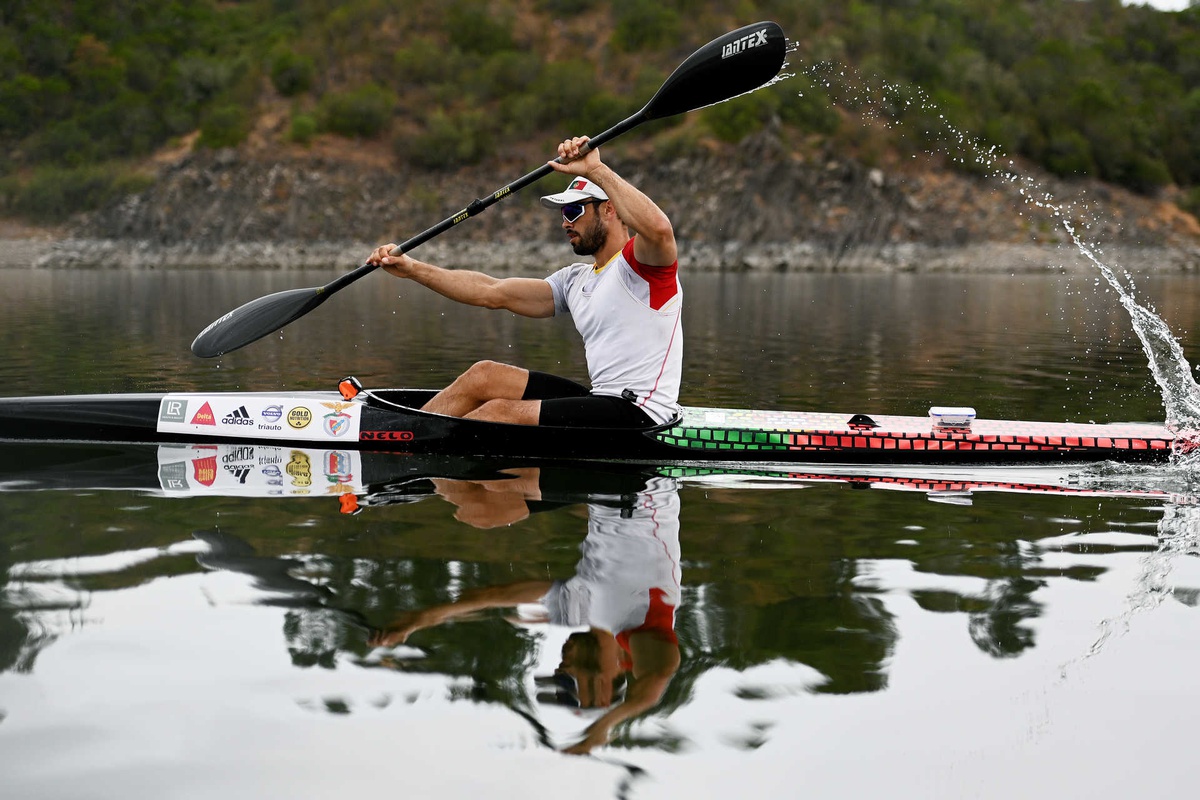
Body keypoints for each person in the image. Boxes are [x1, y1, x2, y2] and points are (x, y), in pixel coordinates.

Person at [367, 136, 682, 428]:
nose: (564, 222)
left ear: (610, 210)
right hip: (603, 401)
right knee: (483, 375)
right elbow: (492, 292)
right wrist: (412, 269)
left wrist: (597, 170)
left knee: (496, 414)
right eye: (562, 212)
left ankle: (408, 442)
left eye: (573, 210)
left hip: (642, 414)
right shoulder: (575, 280)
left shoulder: (641, 267)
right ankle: (404, 432)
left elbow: (659, 230)